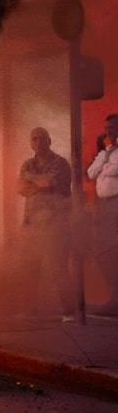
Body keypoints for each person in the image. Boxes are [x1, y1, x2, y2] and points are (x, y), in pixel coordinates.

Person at [16, 126, 75, 320]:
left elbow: (51, 182)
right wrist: (40, 183)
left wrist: (32, 180)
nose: (39, 142)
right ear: (31, 143)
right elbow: (20, 188)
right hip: (31, 224)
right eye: (35, 139)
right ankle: (29, 310)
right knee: (29, 267)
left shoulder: (60, 163)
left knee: (59, 268)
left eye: (42, 139)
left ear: (49, 141)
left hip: (56, 225)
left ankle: (70, 312)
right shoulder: (27, 164)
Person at [86, 113, 118, 316]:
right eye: (107, 128)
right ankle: (115, 295)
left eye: (113, 128)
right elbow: (91, 172)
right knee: (100, 250)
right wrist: (106, 165)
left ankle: (116, 299)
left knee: (112, 249)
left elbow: (115, 170)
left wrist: (105, 168)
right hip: (104, 207)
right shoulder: (106, 151)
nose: (109, 132)